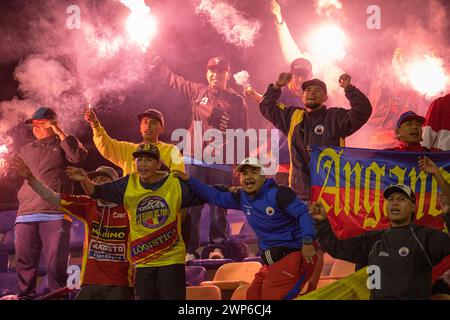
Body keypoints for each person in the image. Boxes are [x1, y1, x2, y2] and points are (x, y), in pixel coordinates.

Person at [65, 144, 207, 300]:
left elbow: (207, 194)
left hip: (170, 261)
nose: (143, 164)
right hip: (143, 264)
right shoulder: (128, 185)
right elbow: (96, 191)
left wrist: (234, 193)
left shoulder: (174, 183)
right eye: (139, 160)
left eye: (148, 160)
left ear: (158, 164)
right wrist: (85, 180)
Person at [149, 53, 249, 260]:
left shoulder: (237, 100)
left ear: (227, 75)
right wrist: (157, 62)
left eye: (220, 71)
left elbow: (243, 133)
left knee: (218, 206)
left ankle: (217, 247)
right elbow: (173, 80)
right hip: (194, 158)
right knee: (192, 207)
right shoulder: (197, 91)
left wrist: (241, 163)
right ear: (207, 73)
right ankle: (190, 249)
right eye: (212, 70)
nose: (215, 75)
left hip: (221, 161)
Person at [174, 157, 318, 300]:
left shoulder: (279, 194)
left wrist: (307, 241)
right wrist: (189, 179)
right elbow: (215, 196)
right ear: (240, 179)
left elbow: (303, 213)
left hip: (298, 256)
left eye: (253, 172)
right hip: (271, 262)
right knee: (252, 295)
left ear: (263, 176)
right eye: (245, 174)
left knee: (272, 297)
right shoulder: (243, 198)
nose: (248, 177)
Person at [10, 160, 133, 300]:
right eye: (95, 180)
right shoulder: (87, 204)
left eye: (103, 180)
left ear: (114, 185)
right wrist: (30, 178)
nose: (97, 183)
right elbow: (51, 197)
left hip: (120, 283)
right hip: (90, 282)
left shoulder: (129, 207)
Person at [311, 184, 450, 299]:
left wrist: (448, 215)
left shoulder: (426, 237)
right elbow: (336, 248)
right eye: (390, 199)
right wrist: (321, 222)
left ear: (413, 206)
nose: (394, 202)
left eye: (401, 199)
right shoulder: (372, 239)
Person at [259, 74, 372, 200]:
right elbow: (266, 106)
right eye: (308, 90)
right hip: (301, 195)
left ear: (325, 98)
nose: (311, 93)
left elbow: (363, 110)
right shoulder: (293, 117)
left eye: (317, 90)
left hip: (331, 194)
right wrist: (276, 86)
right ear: (303, 97)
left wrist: (349, 89)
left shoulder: (336, 117)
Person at [14, 107, 88, 299]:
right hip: (25, 213)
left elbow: (77, 157)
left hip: (54, 213)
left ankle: (58, 297)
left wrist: (59, 131)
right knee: (24, 265)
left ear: (51, 123)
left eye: (39, 124)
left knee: (56, 267)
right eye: (33, 125)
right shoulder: (27, 149)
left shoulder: (65, 143)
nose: (34, 129)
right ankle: (25, 297)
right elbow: (14, 172)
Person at [84, 107, 184, 175]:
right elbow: (106, 145)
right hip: (132, 205)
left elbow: (179, 179)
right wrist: (95, 124)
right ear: (140, 128)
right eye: (145, 122)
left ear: (162, 129)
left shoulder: (172, 150)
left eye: (153, 123)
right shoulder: (128, 149)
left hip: (160, 204)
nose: (148, 126)